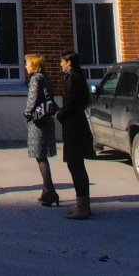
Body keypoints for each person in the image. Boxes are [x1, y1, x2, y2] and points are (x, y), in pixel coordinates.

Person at [56, 51, 94, 220]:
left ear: (69, 63)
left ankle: (82, 207)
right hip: (77, 123)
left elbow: (71, 102)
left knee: (75, 164)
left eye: (62, 62)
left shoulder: (73, 78)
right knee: (77, 165)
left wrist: (60, 114)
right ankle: (83, 204)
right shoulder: (79, 77)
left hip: (73, 126)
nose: (60, 64)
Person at [24, 53, 58, 206]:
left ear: (34, 65)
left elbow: (32, 99)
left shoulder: (35, 79)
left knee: (40, 155)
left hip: (38, 120)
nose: (25, 66)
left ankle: (50, 191)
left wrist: (27, 113)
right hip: (46, 118)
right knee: (42, 155)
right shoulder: (45, 77)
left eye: (27, 63)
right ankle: (47, 191)